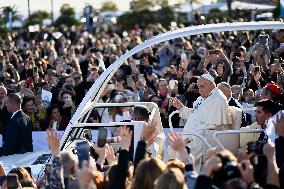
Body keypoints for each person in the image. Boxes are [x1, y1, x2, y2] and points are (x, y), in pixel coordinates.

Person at [171, 74, 232, 172]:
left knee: (180, 154)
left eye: (202, 87)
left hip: (203, 138)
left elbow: (211, 125)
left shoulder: (218, 99)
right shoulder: (202, 98)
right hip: (193, 135)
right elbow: (195, 116)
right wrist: (181, 108)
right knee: (171, 149)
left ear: (212, 85)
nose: (199, 90)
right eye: (198, 87)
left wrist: (189, 139)